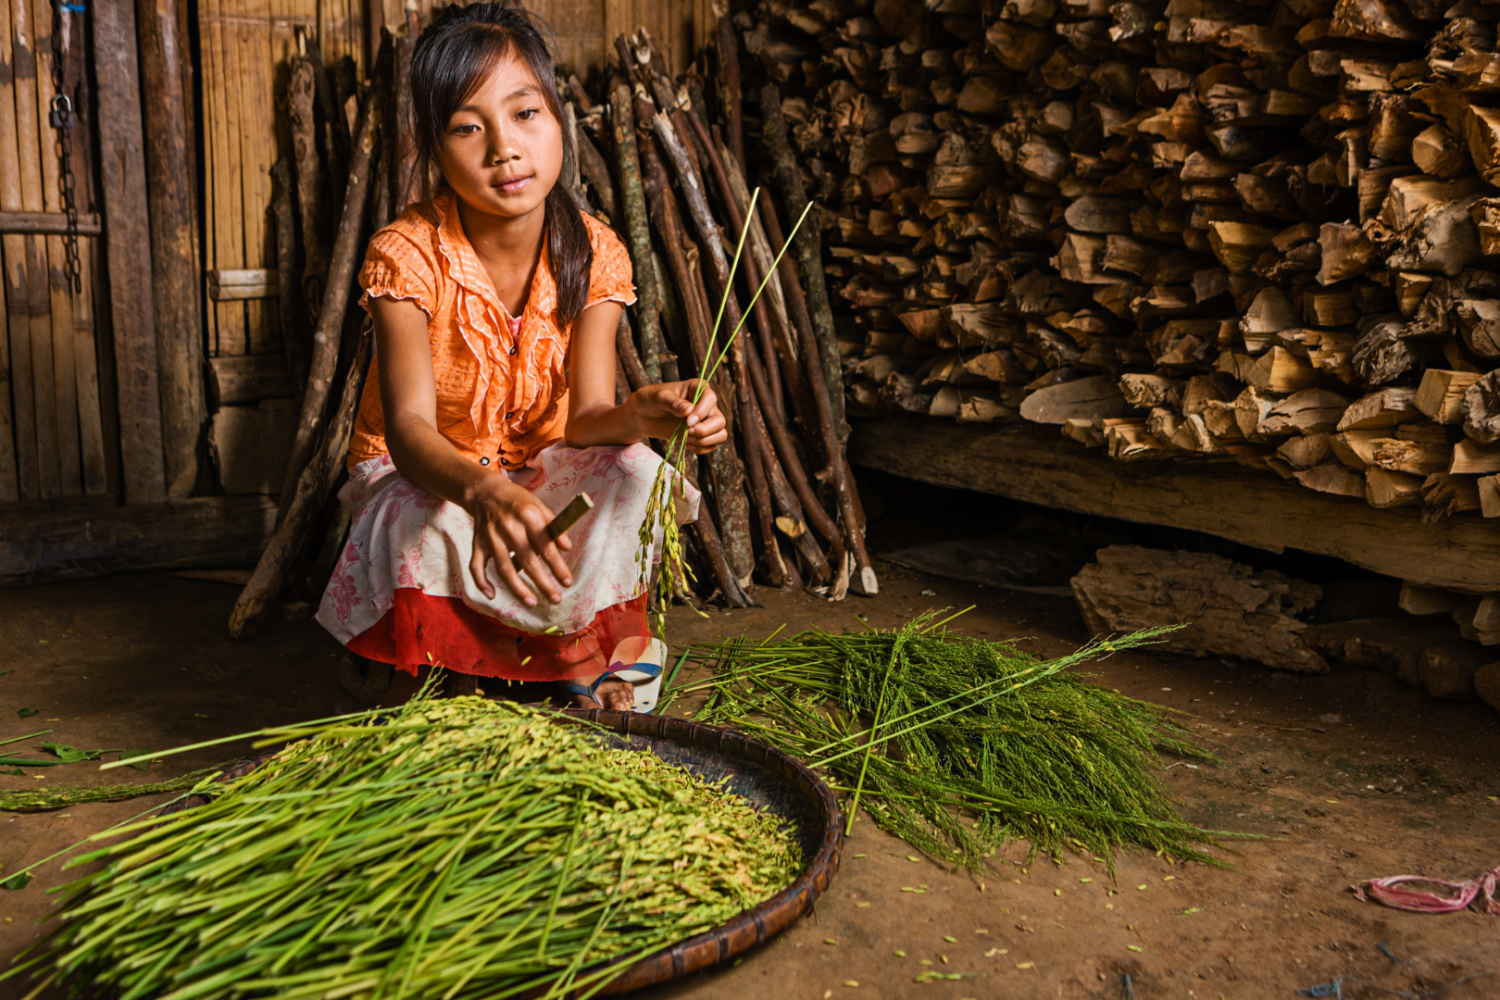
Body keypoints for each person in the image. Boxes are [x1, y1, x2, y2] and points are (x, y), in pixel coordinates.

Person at [315, 3, 725, 711]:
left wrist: (643, 414)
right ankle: (450, 671)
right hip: (429, 477)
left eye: (525, 114)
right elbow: (409, 431)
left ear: (558, 119)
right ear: (434, 150)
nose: (503, 147)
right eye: (468, 128)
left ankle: (585, 648)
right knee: (421, 520)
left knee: (635, 473)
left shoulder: (594, 252)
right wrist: (481, 490)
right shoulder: (406, 255)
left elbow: (590, 417)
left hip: (541, 465)